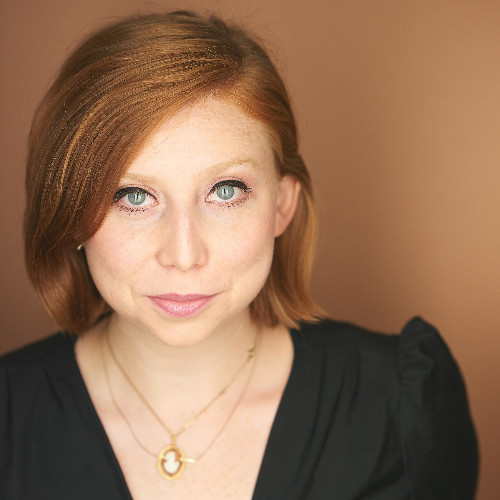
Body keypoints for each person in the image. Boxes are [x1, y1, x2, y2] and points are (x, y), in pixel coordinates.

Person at [0, 10, 478, 500]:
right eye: (133, 196)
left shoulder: (401, 410)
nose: (184, 255)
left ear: (282, 206)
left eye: (225, 191)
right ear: (71, 213)